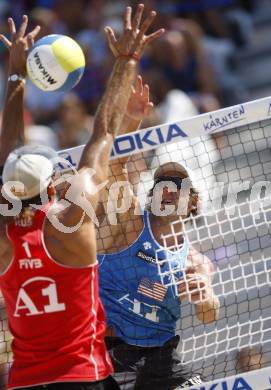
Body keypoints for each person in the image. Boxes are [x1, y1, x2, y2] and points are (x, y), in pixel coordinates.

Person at [0, 5, 164, 390]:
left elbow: (11, 156)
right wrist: (127, 59)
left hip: (25, 382)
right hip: (83, 375)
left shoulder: (4, 240)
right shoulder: (71, 220)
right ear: (52, 185)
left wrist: (15, 74)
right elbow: (104, 132)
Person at [96, 80, 220, 389]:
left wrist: (202, 293)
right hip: (112, 353)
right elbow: (114, 167)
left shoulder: (194, 259)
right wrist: (132, 120)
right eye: (162, 182)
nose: (168, 188)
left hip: (161, 359)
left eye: (177, 184)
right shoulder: (131, 224)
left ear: (192, 201)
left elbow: (209, 314)